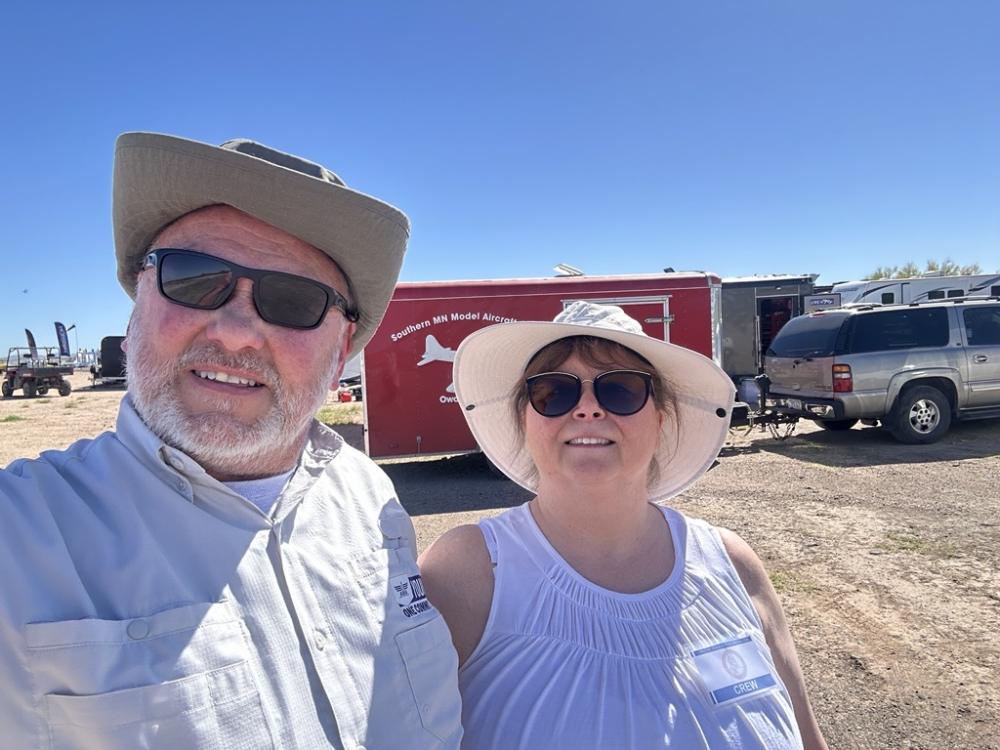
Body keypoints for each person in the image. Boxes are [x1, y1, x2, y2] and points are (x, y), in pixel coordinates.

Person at [0, 133, 462, 749]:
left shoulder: (370, 495)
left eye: (295, 301)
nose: (239, 331)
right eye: (194, 279)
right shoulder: (22, 536)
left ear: (338, 359)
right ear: (136, 309)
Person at [419, 301, 828, 749]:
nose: (589, 409)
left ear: (660, 417)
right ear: (524, 418)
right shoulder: (467, 572)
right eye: (554, 392)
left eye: (622, 390)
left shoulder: (734, 564)